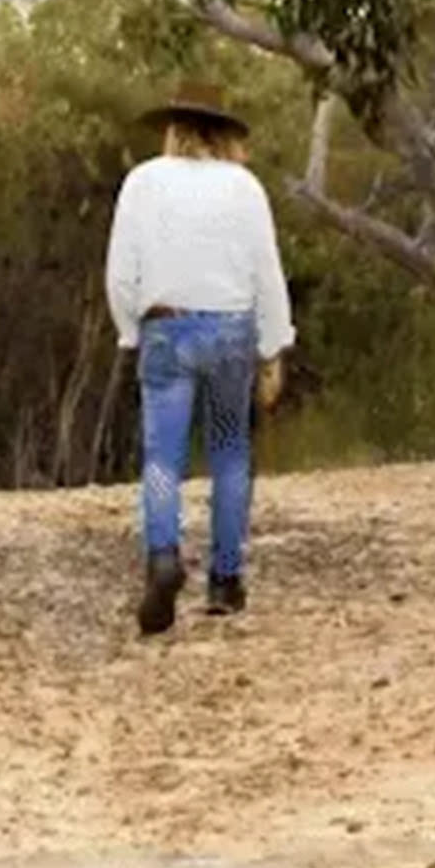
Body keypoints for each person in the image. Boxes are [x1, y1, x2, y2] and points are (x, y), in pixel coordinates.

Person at [105, 81, 294, 635]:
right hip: (232, 329)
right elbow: (266, 270)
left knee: (162, 457)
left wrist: (128, 330)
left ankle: (162, 558)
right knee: (230, 454)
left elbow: (120, 269)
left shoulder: (142, 181)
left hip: (165, 325)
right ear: (224, 133)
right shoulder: (244, 187)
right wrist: (272, 344)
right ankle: (224, 579)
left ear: (174, 127)